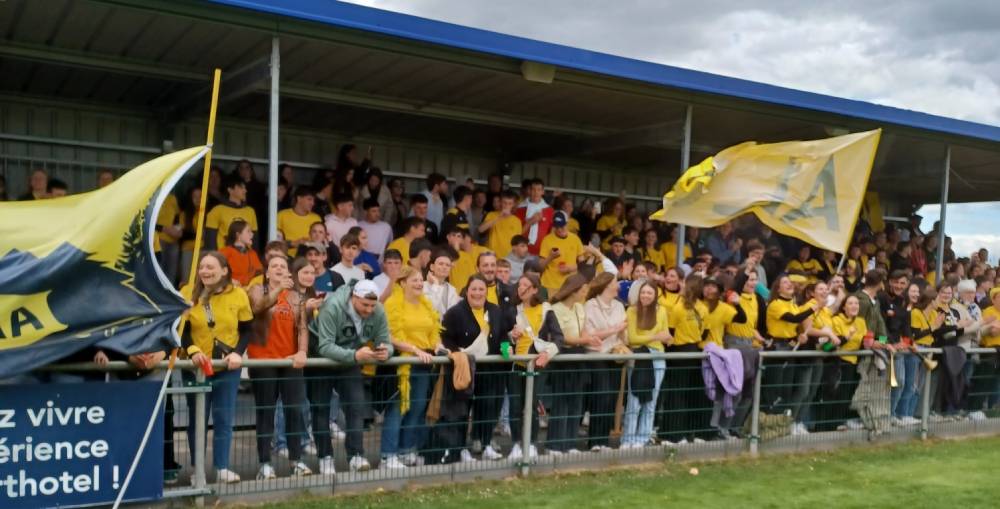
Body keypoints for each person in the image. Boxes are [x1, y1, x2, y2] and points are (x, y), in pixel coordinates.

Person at [180, 252, 253, 484]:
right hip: (196, 368)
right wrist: (192, 350)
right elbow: (182, 329)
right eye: (202, 267)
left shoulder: (238, 294)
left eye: (210, 267)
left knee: (224, 418)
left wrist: (237, 353)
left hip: (227, 368)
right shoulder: (187, 292)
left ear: (224, 270)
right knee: (197, 420)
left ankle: (222, 467)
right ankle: (198, 471)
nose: (205, 271)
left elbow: (247, 329)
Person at [313, 280, 393, 472]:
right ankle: (325, 457)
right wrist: (355, 355)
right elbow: (324, 346)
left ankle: (356, 455)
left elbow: (386, 340)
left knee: (356, 407)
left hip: (350, 360)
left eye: (372, 306)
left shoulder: (378, 310)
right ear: (354, 297)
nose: (369, 310)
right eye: (365, 305)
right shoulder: (332, 307)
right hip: (319, 359)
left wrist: (386, 351)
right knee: (320, 410)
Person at [246, 256, 312, 479]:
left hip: (289, 360)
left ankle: (297, 461)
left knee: (294, 410)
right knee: (266, 411)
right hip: (263, 360)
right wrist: (276, 291)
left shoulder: (296, 297)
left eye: (283, 267)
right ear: (267, 273)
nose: (279, 269)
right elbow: (258, 307)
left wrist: (302, 351)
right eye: (274, 266)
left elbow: (302, 328)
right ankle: (265, 463)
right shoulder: (256, 289)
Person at [438, 275, 508, 463]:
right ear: (467, 291)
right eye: (474, 289)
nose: (477, 293)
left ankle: (485, 445)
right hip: (464, 369)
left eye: (481, 289)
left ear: (486, 292)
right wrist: (456, 354)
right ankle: (459, 450)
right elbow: (446, 338)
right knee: (461, 410)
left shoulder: (495, 311)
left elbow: (503, 335)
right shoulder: (454, 313)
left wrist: (505, 349)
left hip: (489, 370)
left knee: (487, 408)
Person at [380, 266, 441, 469]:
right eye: (413, 280)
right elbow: (389, 336)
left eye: (420, 280)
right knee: (398, 409)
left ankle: (406, 450)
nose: (418, 283)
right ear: (402, 283)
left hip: (423, 363)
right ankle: (387, 455)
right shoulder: (392, 303)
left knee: (416, 408)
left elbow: (433, 331)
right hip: (402, 363)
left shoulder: (426, 305)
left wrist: (439, 347)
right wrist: (414, 349)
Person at [509, 273, 563, 459]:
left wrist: (547, 354)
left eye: (526, 285)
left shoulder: (546, 309)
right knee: (515, 406)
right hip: (517, 365)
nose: (521, 288)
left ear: (534, 289)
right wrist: (510, 339)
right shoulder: (512, 310)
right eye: (519, 284)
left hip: (538, 365)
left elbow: (558, 337)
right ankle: (517, 443)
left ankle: (530, 443)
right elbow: (503, 339)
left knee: (531, 406)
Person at [547, 274, 601, 454]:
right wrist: (583, 339)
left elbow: (583, 329)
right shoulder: (555, 309)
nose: (586, 293)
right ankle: (555, 444)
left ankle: (570, 443)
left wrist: (589, 339)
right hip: (564, 358)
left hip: (579, 357)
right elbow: (562, 337)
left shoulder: (580, 308)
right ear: (574, 290)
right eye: (583, 290)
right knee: (561, 403)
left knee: (576, 403)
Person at [581, 272, 627, 450]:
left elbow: (623, 333)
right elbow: (590, 334)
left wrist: (622, 332)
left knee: (611, 399)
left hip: (614, 356)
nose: (619, 286)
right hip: (597, 356)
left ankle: (604, 440)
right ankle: (594, 441)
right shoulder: (590, 306)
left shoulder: (619, 306)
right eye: (616, 282)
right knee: (601, 396)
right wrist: (614, 329)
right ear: (607, 285)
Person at [623, 282, 671, 448]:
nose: (645, 296)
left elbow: (667, 336)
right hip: (638, 356)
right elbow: (632, 338)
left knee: (651, 402)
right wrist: (656, 336)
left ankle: (642, 438)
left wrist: (659, 337)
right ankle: (627, 439)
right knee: (634, 401)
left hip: (657, 357)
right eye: (643, 292)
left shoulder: (662, 310)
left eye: (649, 293)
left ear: (655, 295)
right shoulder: (631, 310)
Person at [764, 275, 817, 415]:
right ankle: (769, 420)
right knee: (776, 388)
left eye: (790, 282)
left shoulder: (793, 304)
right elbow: (794, 319)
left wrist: (800, 335)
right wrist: (813, 308)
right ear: (778, 288)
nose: (789, 284)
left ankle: (781, 422)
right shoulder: (775, 304)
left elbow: (796, 325)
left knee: (788, 389)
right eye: (785, 282)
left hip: (790, 348)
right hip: (777, 349)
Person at [205, 174, 258, 250]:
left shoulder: (250, 211)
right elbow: (210, 240)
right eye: (241, 187)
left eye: (245, 188)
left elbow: (255, 238)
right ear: (230, 190)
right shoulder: (217, 210)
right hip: (224, 256)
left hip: (245, 256)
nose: (245, 190)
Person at [539, 212, 585, 295]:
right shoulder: (547, 240)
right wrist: (550, 257)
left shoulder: (575, 239)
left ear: (567, 224)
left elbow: (583, 265)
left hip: (569, 285)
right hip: (550, 284)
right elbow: (540, 266)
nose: (559, 229)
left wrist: (570, 268)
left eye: (562, 226)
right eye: (556, 227)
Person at [514, 178, 554, 255]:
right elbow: (516, 234)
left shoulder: (549, 210)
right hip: (522, 251)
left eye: (539, 190)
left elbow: (551, 233)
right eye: (533, 189)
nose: (536, 192)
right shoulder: (520, 209)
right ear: (529, 191)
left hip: (542, 252)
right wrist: (530, 222)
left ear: (543, 192)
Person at [277, 186, 321, 256]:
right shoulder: (282, 215)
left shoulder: (316, 218)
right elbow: (274, 242)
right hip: (286, 257)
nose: (313, 203)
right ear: (299, 199)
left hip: (310, 258)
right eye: (309, 199)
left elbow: (321, 241)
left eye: (313, 200)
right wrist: (294, 243)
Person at [219, 220, 263, 287]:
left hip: (249, 290)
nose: (252, 234)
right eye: (248, 231)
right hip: (230, 290)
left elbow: (260, 273)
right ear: (238, 235)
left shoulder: (252, 253)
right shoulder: (225, 252)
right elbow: (215, 272)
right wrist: (230, 281)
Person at [480, 190, 522, 259]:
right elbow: (481, 229)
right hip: (492, 257)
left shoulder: (517, 221)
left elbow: (517, 243)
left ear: (513, 204)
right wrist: (499, 217)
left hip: (509, 259)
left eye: (510, 203)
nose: (507, 206)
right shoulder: (492, 215)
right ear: (500, 202)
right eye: (504, 203)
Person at [424, 248, 461, 316]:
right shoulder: (423, 286)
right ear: (432, 267)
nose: (444, 267)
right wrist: (436, 284)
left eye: (447, 265)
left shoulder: (452, 290)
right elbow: (431, 307)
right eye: (441, 264)